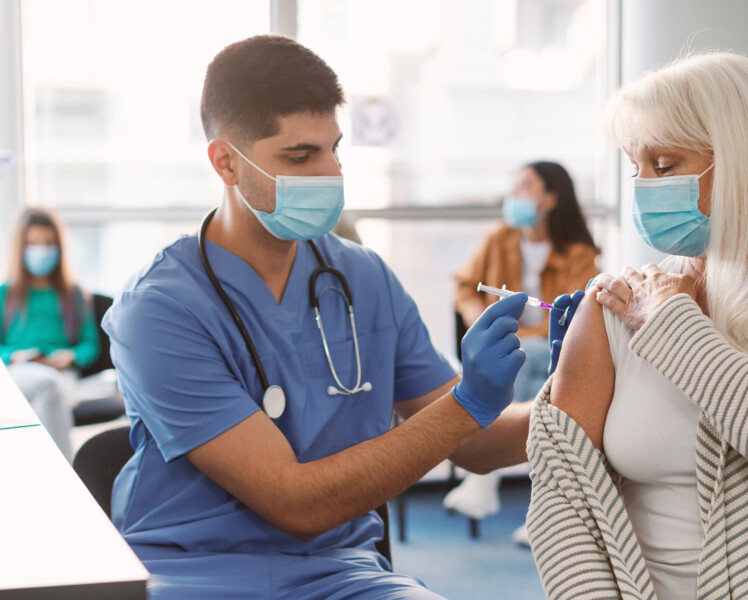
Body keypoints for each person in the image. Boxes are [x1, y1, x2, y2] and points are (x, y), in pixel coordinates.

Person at [102, 35, 535, 600]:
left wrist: (589, 381)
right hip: (192, 576)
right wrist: (467, 405)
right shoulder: (157, 309)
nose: (331, 173)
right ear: (226, 161)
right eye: (301, 156)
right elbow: (296, 502)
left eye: (335, 149)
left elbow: (474, 445)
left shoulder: (364, 278)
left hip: (342, 575)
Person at [525, 52, 748, 599]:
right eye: (636, 168)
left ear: (747, 161)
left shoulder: (657, 311)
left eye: (666, 165)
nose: (645, 186)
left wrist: (670, 321)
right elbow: (561, 493)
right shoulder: (616, 302)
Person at [444, 161, 598, 539]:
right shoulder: (500, 239)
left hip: (549, 349)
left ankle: (483, 477)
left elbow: (571, 319)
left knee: (529, 353)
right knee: (525, 359)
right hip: (511, 344)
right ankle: (543, 509)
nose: (514, 196)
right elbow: (466, 287)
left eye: (525, 187)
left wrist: (514, 330)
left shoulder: (579, 253)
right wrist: (479, 317)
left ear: (549, 199)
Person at [0, 208, 99, 461]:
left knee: (49, 391)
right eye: (33, 244)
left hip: (61, 372)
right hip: (19, 372)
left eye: (48, 244)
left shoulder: (73, 294)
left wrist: (71, 356)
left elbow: (90, 345)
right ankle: (65, 467)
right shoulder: (5, 293)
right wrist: (14, 356)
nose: (41, 251)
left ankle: (48, 467)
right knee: (45, 386)